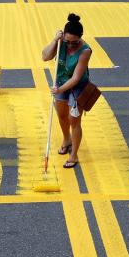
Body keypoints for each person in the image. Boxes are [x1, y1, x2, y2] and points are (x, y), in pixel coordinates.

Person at [41, 14, 92, 170]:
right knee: (62, 115)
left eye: (74, 42)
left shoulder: (85, 50)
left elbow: (76, 78)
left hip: (77, 87)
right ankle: (66, 140)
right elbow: (45, 56)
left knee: (74, 120)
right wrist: (55, 40)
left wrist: (59, 90)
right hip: (61, 81)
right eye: (67, 41)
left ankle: (74, 154)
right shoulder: (61, 43)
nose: (70, 45)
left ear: (80, 38)